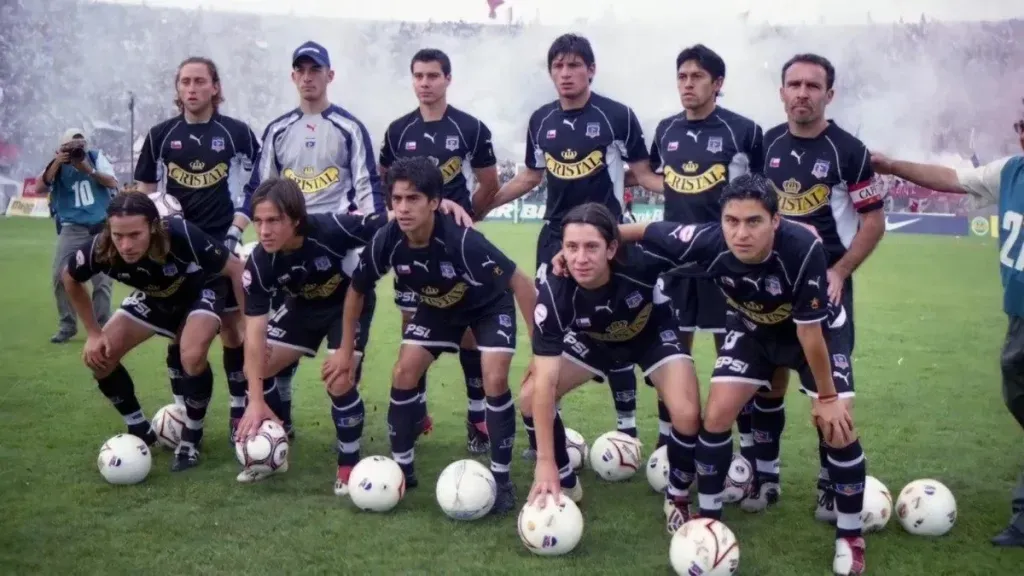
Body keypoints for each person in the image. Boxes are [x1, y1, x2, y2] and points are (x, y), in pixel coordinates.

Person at [632, 172, 866, 575]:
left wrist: (826, 398)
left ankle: (850, 536)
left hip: (818, 334)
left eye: (754, 221)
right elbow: (641, 230)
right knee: (716, 417)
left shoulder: (803, 246)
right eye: (732, 221)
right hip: (752, 328)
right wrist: (587, 244)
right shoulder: (707, 241)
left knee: (838, 427)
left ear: (776, 221)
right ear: (720, 221)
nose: (741, 233)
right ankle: (710, 522)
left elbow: (809, 333)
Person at [486, 32, 663, 458]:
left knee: (616, 322)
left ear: (591, 69)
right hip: (555, 239)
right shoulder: (541, 120)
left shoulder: (617, 116)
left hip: (610, 240)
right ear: (551, 73)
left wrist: (695, 199)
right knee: (550, 330)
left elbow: (642, 173)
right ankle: (545, 425)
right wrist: (481, 205)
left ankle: (627, 429)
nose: (565, 74)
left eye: (574, 65)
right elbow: (531, 176)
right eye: (558, 67)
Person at [329, 157, 537, 514]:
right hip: (438, 308)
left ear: (434, 202)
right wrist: (346, 350)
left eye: (413, 199)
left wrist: (539, 354)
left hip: (487, 307)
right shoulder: (388, 240)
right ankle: (402, 471)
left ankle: (501, 481)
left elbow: (521, 282)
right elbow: (356, 290)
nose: (404, 208)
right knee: (403, 371)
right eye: (397, 200)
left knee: (495, 376)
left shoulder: (462, 240)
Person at [870, 114, 1024, 547]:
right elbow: (953, 178)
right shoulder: (1010, 171)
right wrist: (894, 165)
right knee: (1017, 393)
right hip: (1019, 318)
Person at [756, 53, 884, 519]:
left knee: (825, 389)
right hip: (768, 288)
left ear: (829, 94)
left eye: (813, 86)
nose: (803, 93)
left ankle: (831, 484)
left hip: (825, 288)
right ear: (782, 92)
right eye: (794, 84)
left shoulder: (847, 150)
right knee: (766, 382)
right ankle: (764, 478)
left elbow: (873, 220)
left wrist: (841, 270)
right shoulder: (764, 144)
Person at [525, 203, 700, 534]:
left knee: (687, 414)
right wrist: (544, 461)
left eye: (592, 247)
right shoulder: (554, 291)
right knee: (529, 395)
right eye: (571, 247)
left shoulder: (642, 261)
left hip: (652, 335)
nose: (580, 258)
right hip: (596, 341)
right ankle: (562, 480)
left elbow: (699, 242)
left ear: (612, 248)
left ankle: (677, 497)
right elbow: (545, 384)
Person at [243, 40, 385, 439]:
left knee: (341, 370)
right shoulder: (277, 130)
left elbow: (367, 186)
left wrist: (369, 237)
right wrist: (247, 229)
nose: (308, 77)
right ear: (293, 77)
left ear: (329, 76)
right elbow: (262, 188)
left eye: (315, 70)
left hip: (335, 243)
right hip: (282, 243)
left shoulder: (348, 127)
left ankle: (349, 445)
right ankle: (279, 422)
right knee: (266, 348)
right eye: (301, 71)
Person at [639, 44, 770, 458]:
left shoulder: (743, 131)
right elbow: (661, 177)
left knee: (733, 356)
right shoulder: (666, 130)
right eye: (682, 76)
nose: (688, 84)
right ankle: (668, 441)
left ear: (718, 83)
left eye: (696, 77)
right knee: (670, 352)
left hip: (725, 260)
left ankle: (745, 447)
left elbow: (763, 193)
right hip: (675, 261)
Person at [62, 192, 246, 471]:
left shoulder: (181, 235)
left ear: (153, 226)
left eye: (135, 234)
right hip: (156, 297)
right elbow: (70, 277)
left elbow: (236, 269)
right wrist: (93, 332)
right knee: (100, 358)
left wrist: (246, 322)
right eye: (118, 235)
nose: (125, 245)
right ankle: (139, 428)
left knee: (191, 355)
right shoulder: (100, 247)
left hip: (202, 290)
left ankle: (191, 435)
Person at [134, 56, 261, 448]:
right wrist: (153, 229)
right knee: (178, 334)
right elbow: (144, 190)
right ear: (178, 89)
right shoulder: (160, 135)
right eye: (185, 82)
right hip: (174, 252)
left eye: (200, 81)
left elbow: (255, 184)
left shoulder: (237, 133)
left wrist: (236, 230)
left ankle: (239, 407)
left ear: (215, 87)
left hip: (220, 249)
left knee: (233, 331)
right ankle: (181, 409)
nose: (192, 88)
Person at [378, 48, 501, 453]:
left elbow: (488, 182)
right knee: (411, 322)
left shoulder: (469, 128)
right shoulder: (398, 131)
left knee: (467, 330)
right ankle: (417, 408)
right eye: (419, 75)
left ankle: (477, 415)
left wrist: (469, 216)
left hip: (454, 248)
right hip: (411, 246)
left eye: (433, 75)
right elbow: (386, 180)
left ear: (448, 78)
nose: (425, 83)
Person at [38, 128, 119, 344]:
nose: (77, 149)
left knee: (102, 280)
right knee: (59, 276)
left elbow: (112, 182)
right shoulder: (56, 165)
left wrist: (88, 170)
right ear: (61, 148)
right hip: (71, 227)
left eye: (80, 145)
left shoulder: (94, 157)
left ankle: (103, 326)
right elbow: (39, 186)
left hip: (99, 226)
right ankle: (67, 325)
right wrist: (57, 162)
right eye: (71, 146)